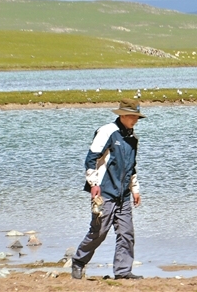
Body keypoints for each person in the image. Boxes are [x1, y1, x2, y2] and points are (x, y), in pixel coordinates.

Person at [71, 98, 145, 280]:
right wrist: (93, 184)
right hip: (105, 191)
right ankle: (78, 262)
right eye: (132, 117)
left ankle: (123, 271)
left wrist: (135, 189)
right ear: (122, 115)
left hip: (124, 195)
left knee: (126, 233)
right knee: (99, 232)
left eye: (136, 117)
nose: (135, 120)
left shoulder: (132, 138)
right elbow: (91, 159)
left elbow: (131, 167)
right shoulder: (107, 132)